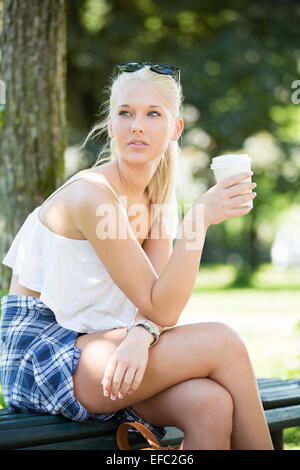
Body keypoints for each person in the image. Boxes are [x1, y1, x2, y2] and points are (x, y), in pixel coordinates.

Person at [0, 61, 274, 450]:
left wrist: (140, 336)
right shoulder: (94, 196)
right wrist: (198, 221)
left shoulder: (156, 197)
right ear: (111, 125)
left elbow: (160, 306)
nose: (137, 125)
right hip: (45, 353)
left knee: (211, 405)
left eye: (152, 114)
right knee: (224, 342)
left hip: (105, 346)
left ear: (175, 128)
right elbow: (161, 309)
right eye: (125, 114)